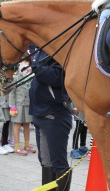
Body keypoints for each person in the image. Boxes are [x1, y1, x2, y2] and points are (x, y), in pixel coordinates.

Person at [30, 50, 72, 191]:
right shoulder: (39, 51)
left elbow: (56, 77)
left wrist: (35, 66)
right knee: (45, 162)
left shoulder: (60, 49)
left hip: (55, 115)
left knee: (59, 163)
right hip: (39, 114)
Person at [9, 58, 36, 156]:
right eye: (22, 62)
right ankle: (17, 146)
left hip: (27, 104)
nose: (25, 64)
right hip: (18, 105)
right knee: (17, 124)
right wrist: (12, 106)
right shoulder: (15, 77)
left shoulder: (31, 77)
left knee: (27, 124)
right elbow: (11, 93)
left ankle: (27, 144)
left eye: (27, 62)